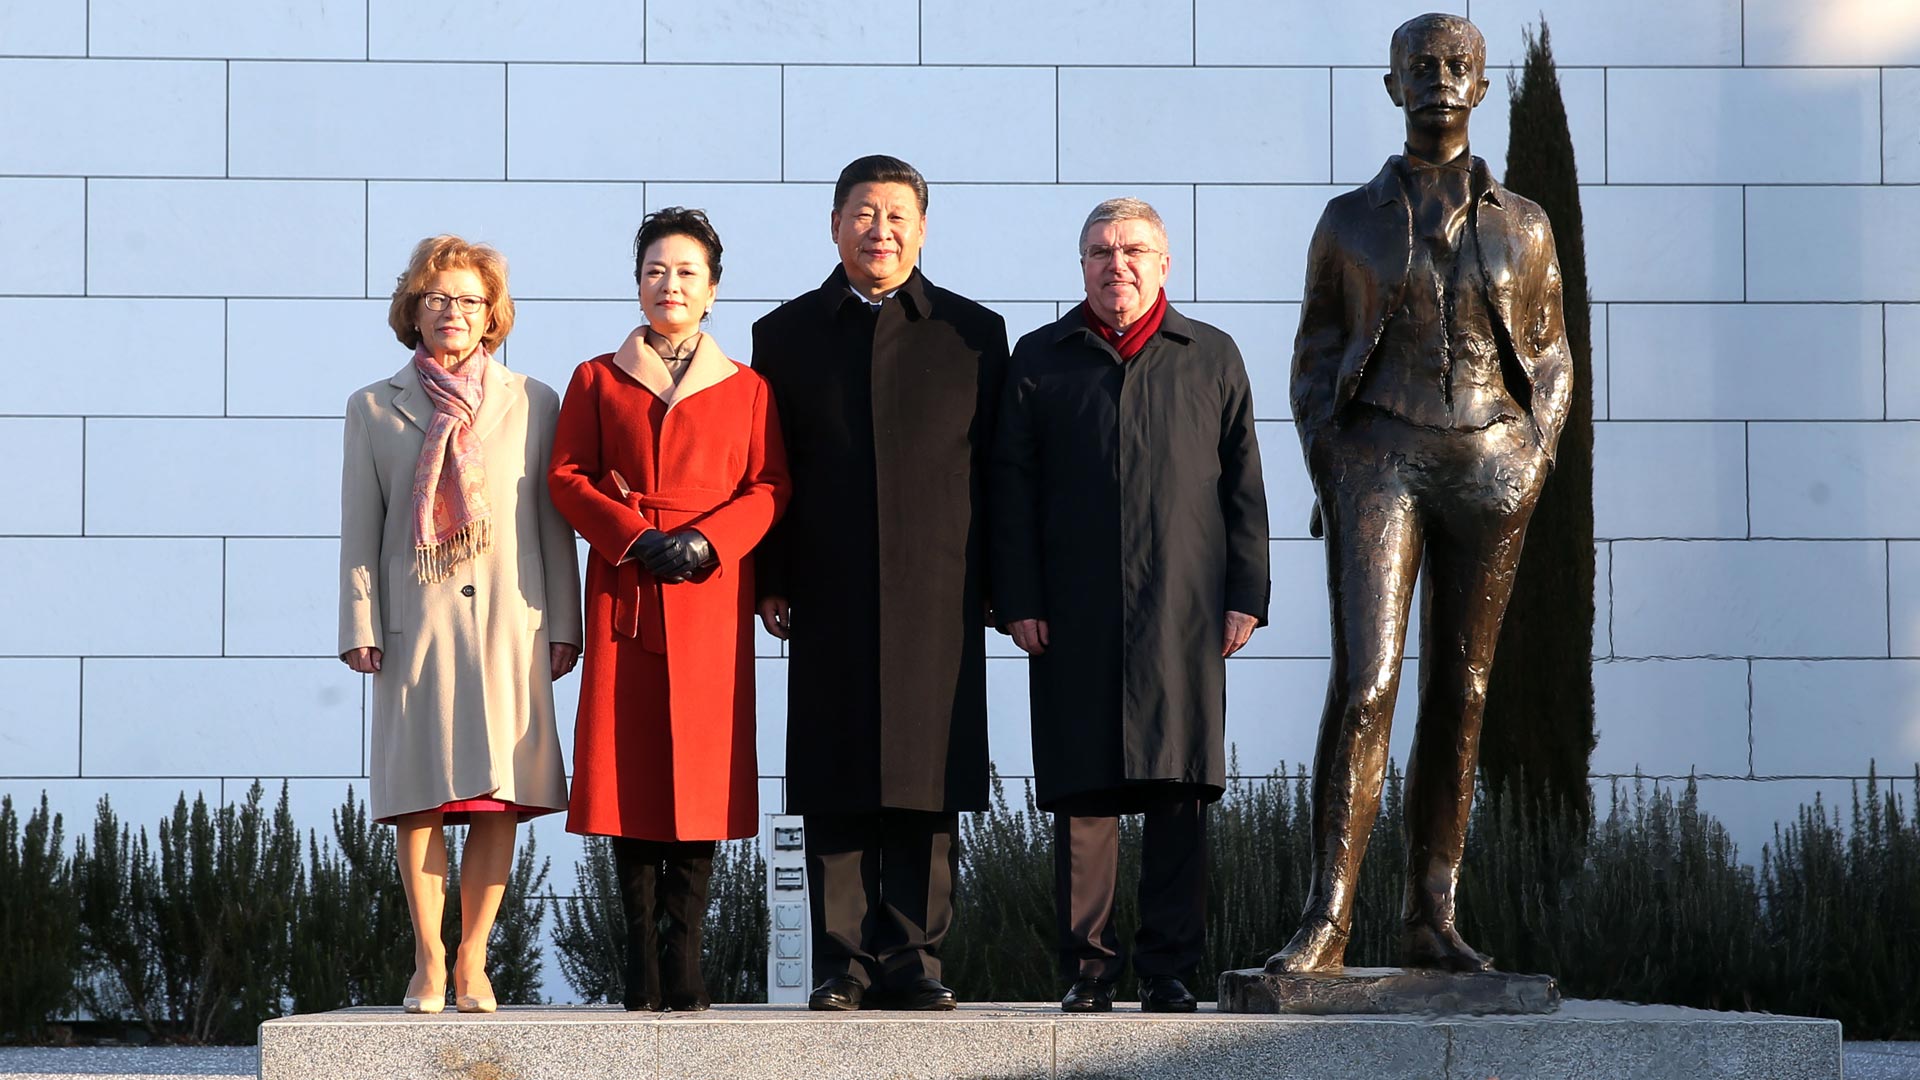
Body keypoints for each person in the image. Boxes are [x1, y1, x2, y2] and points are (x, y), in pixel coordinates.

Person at [1271, 12, 1572, 974]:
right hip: (1380, 458)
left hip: (1488, 462)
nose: (1440, 79)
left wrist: (1535, 455)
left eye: (1457, 65)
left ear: (1480, 87)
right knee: (1367, 683)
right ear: (1393, 86)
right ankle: (1328, 920)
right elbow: (1315, 354)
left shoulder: (1525, 223)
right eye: (1422, 66)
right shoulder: (1348, 221)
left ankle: (1431, 918)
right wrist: (1331, 458)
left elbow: (1553, 355)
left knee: (1463, 691)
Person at [992, 198, 1270, 1013]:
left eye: (1134, 250)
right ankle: (1089, 971)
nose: (1117, 264)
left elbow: (1245, 487)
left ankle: (1168, 970)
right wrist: (1017, 599)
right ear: (1081, 265)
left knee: (1178, 791)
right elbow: (1010, 491)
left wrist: (1246, 595)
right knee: (1084, 794)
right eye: (1100, 251)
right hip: (1071, 609)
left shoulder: (1211, 355)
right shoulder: (1041, 358)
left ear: (1164, 263)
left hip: (1185, 612)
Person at [751, 154, 1008, 1012]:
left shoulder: (973, 333)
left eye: (898, 215)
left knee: (928, 776)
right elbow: (770, 470)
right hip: (827, 588)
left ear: (922, 229)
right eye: (863, 213)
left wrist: (1001, 585)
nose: (880, 231)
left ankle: (914, 959)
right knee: (834, 772)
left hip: (941, 589)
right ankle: (845, 964)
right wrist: (771, 578)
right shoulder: (784, 335)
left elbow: (999, 471)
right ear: (835, 225)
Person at [548, 208, 789, 1012]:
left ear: (713, 289)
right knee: (630, 776)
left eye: (687, 271)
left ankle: (684, 962)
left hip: (709, 596)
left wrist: (708, 541)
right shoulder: (596, 378)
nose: (670, 284)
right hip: (627, 590)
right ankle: (638, 963)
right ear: (637, 283)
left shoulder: (747, 388)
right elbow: (567, 476)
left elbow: (769, 486)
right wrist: (632, 536)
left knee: (701, 777)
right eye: (656, 270)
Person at [338, 235, 582, 1014]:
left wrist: (564, 623)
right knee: (419, 796)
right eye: (438, 298)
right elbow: (360, 526)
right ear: (413, 310)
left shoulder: (534, 400)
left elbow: (552, 521)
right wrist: (359, 622)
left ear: (492, 314)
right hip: (417, 624)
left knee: (497, 794)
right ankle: (428, 960)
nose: (454, 312)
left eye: (471, 300)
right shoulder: (373, 406)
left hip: (511, 622)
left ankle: (474, 959)